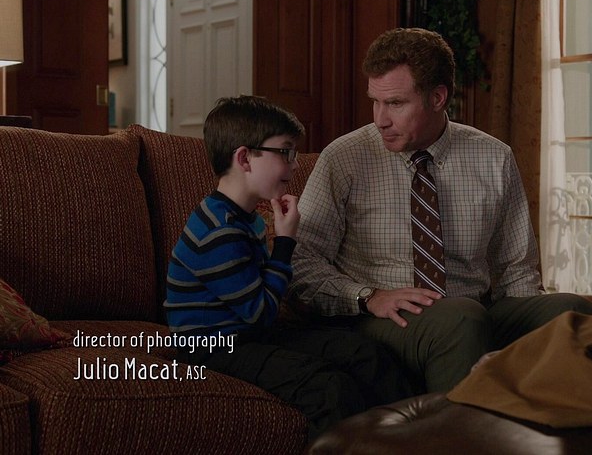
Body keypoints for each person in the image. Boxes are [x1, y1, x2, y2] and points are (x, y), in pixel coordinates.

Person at [291, 28, 592, 393]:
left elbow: (516, 270)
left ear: (437, 98)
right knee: (461, 319)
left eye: (395, 103)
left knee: (573, 314)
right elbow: (302, 262)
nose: (380, 119)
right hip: (384, 317)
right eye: (375, 101)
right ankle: (454, 427)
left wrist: (530, 330)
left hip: (474, 309)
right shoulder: (344, 158)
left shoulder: (494, 157)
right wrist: (368, 296)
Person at [164, 95, 413, 439]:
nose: (295, 165)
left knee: (365, 354)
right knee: (329, 388)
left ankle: (415, 440)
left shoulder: (245, 216)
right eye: (285, 152)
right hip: (214, 348)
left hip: (250, 335)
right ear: (244, 158)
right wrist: (284, 242)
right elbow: (262, 312)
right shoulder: (218, 232)